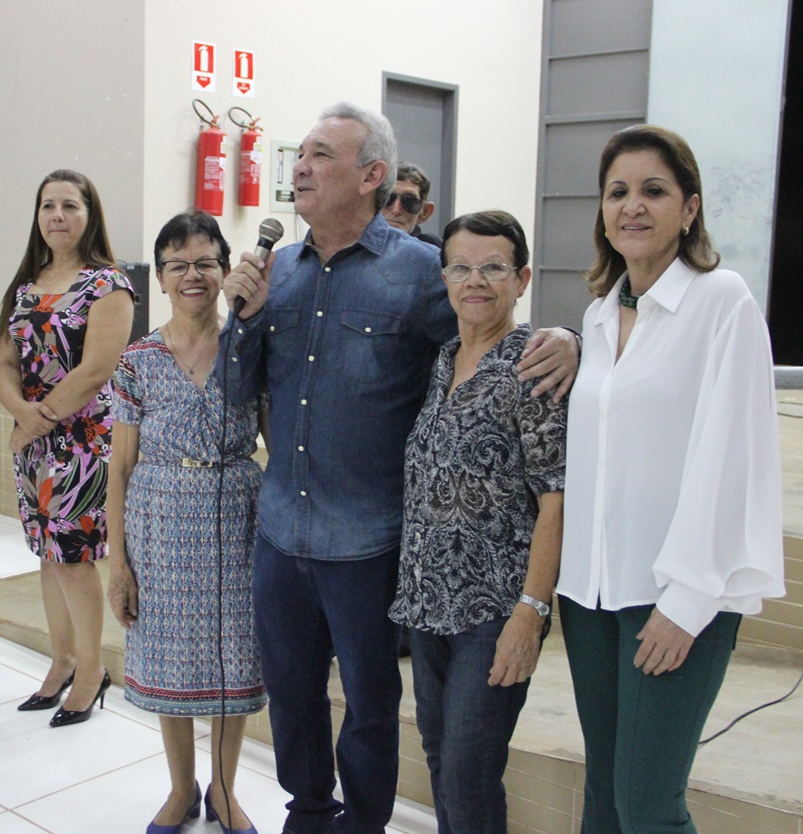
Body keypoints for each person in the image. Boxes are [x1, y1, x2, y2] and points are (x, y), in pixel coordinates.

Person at [221, 101, 580, 834]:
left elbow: (490, 338)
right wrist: (244, 321)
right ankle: (309, 810)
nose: (302, 166)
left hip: (370, 539)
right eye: (302, 154)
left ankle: (363, 821)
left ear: (371, 175)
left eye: (321, 154)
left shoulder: (422, 273)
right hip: (280, 530)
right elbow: (234, 394)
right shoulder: (275, 271)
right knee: (290, 696)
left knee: (369, 703)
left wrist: (571, 336)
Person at [557, 125, 785, 834]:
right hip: (589, 596)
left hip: (673, 598)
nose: (632, 205)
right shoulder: (598, 315)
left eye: (653, 191)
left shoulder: (723, 302)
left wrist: (686, 600)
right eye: (617, 191)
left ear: (688, 209)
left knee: (648, 806)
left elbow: (733, 457)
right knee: (602, 795)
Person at [389, 211, 566, 834]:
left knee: (468, 769)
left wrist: (531, 613)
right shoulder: (441, 360)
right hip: (428, 603)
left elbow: (556, 499)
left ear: (520, 279)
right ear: (445, 278)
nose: (476, 281)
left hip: (493, 613)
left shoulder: (535, 368)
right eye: (462, 267)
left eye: (493, 268)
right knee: (442, 759)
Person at [107, 211, 266, 834]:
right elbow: (118, 469)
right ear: (162, 280)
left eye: (205, 262)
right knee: (166, 659)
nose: (192, 275)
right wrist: (118, 564)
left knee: (234, 658)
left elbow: (278, 448)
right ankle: (181, 789)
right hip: (159, 523)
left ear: (225, 270)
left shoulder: (249, 349)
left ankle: (225, 790)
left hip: (236, 520)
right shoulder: (138, 359)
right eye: (177, 266)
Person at [0, 169, 133, 727]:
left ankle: (92, 671)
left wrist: (41, 417)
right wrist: (23, 415)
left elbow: (98, 369)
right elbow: (3, 363)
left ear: (89, 214)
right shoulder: (26, 285)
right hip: (33, 442)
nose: (57, 216)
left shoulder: (108, 285)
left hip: (82, 444)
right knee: (48, 560)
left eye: (69, 206)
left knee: (74, 560)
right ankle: (61, 662)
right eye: (47, 205)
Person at [382, 161, 442, 248]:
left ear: (424, 212)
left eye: (409, 201)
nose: (396, 210)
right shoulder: (357, 243)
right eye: (387, 199)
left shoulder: (434, 253)